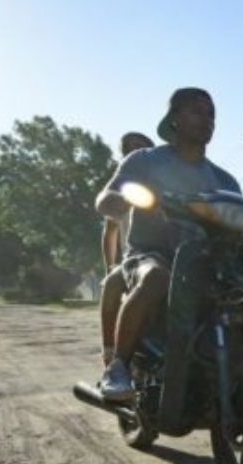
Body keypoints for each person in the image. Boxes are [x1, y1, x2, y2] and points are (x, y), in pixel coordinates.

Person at [95, 87, 242, 400]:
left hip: (206, 260)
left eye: (211, 114)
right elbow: (105, 200)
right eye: (196, 111)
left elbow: (241, 221)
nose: (207, 120)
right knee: (157, 276)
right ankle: (118, 366)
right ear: (174, 119)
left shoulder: (225, 181)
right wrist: (129, 199)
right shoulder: (144, 161)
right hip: (150, 254)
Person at [98, 132, 154, 368]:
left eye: (141, 146)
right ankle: (112, 357)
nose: (135, 151)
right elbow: (110, 232)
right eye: (129, 148)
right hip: (135, 257)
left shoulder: (166, 181)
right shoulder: (123, 189)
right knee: (111, 284)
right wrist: (109, 266)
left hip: (173, 253)